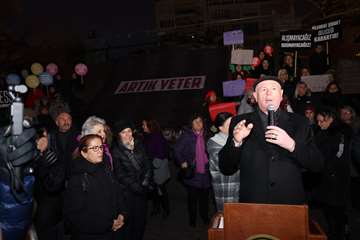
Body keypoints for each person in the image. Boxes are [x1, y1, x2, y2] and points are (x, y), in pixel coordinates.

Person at [219, 76, 323, 204]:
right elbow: (225, 167)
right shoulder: (240, 122)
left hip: (290, 204)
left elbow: (317, 164)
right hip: (253, 204)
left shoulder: (300, 122)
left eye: (274, 89)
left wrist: (291, 145)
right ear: (255, 97)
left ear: (281, 95)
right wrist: (236, 141)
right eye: (263, 90)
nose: (268, 93)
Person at [64, 134, 126, 240]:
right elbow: (76, 218)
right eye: (94, 148)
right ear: (84, 153)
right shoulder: (77, 179)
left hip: (112, 232)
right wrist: (108, 224)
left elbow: (117, 192)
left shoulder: (105, 168)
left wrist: (122, 214)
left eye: (101, 147)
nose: (100, 151)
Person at [313, 109, 351, 240]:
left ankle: (342, 231)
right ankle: (333, 231)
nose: (319, 124)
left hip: (338, 176)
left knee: (338, 207)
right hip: (325, 176)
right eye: (317, 121)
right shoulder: (322, 132)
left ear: (330, 119)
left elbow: (339, 153)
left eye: (321, 121)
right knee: (327, 207)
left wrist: (328, 166)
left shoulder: (341, 132)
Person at [111, 119, 153, 240]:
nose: (127, 134)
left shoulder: (139, 144)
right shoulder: (116, 150)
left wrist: (145, 181)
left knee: (141, 221)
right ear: (119, 134)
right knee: (129, 223)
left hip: (142, 190)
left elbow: (148, 163)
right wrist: (136, 186)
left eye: (129, 131)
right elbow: (120, 174)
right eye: (123, 132)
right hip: (127, 193)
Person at [174, 114, 211, 227]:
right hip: (193, 172)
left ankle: (205, 217)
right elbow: (176, 150)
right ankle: (192, 220)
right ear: (191, 124)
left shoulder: (207, 134)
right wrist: (182, 162)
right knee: (192, 200)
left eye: (200, 121)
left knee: (205, 199)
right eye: (195, 122)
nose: (198, 123)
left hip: (206, 172)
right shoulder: (187, 136)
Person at [207, 112, 239, 212]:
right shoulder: (214, 143)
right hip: (226, 189)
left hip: (239, 188)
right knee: (228, 220)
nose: (234, 126)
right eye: (230, 124)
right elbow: (226, 164)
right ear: (220, 128)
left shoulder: (235, 139)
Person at [142, 118, 170, 218]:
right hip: (151, 168)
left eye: (144, 125)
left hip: (158, 169)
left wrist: (153, 163)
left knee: (161, 190)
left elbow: (162, 153)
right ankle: (156, 208)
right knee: (154, 190)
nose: (143, 127)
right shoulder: (148, 136)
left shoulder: (157, 137)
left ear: (150, 126)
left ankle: (166, 210)